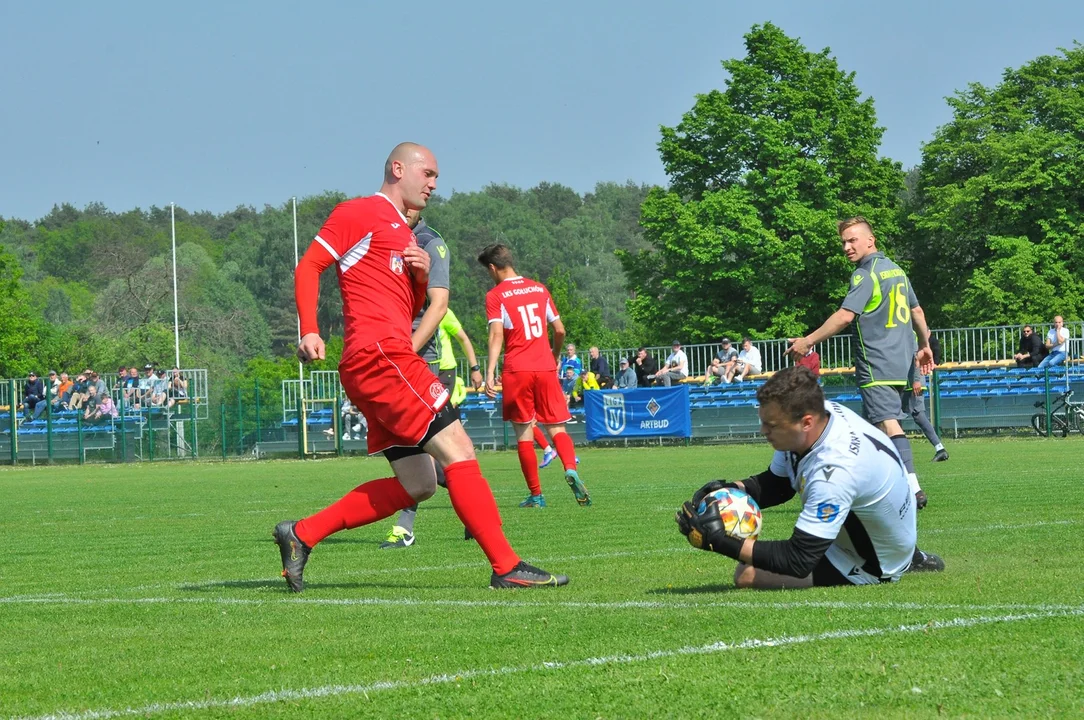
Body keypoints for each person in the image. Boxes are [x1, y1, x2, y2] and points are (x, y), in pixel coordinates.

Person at [275, 142, 567, 591]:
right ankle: (507, 566)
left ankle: (302, 534)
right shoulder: (359, 212)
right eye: (427, 173)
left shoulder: (405, 234)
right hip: (382, 356)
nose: (433, 184)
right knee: (460, 450)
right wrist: (310, 329)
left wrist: (417, 273)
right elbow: (309, 266)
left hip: (380, 358)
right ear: (398, 168)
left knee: (420, 483)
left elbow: (408, 305)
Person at [675, 366, 944, 589]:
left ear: (805, 422)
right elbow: (779, 485)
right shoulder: (819, 415)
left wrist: (719, 541)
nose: (762, 431)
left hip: (874, 563)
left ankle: (900, 563)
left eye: (771, 425)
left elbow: (798, 559)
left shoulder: (835, 471)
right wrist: (730, 489)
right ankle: (911, 555)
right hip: (890, 532)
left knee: (745, 575)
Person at [787, 216, 935, 510]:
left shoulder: (864, 274)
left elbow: (845, 315)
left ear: (871, 240)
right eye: (843, 242)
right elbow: (916, 310)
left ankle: (913, 488)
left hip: (876, 361)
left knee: (888, 424)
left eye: (852, 240)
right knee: (870, 430)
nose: (846, 247)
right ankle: (867, 488)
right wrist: (924, 345)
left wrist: (808, 340)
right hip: (903, 362)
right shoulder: (897, 271)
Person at [479, 242, 591, 509]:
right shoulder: (539, 289)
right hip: (544, 367)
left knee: (524, 434)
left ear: (493, 268)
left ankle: (537, 495)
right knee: (556, 427)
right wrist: (553, 355)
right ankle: (569, 467)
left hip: (517, 368)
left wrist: (490, 370)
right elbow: (560, 329)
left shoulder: (495, 295)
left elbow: (496, 334)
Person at [378, 207, 452, 550]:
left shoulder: (430, 242)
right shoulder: (380, 236)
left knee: (417, 442)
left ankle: (404, 526)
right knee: (419, 449)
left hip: (416, 356)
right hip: (384, 353)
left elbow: (438, 306)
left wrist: (407, 350)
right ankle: (476, 502)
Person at [906, 355, 948, 462]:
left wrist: (916, 380)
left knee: (917, 415)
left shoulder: (909, 339)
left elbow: (916, 356)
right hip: (907, 382)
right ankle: (940, 449)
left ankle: (940, 448)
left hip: (912, 383)